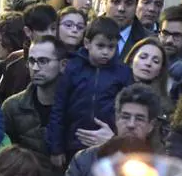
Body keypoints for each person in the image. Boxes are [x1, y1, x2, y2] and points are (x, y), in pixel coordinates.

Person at [45, 17, 133, 162]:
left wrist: (116, 136)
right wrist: (56, 148)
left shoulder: (122, 73)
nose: (105, 52)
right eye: (100, 46)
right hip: (74, 143)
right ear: (87, 43)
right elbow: (59, 108)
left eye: (111, 47)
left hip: (107, 143)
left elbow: (127, 110)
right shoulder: (73, 68)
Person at [59, 86, 164, 176]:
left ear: (150, 126)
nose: (131, 124)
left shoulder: (161, 166)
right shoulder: (84, 159)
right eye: (125, 117)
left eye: (139, 119)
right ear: (116, 119)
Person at [2, 36, 65, 176]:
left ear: (63, 64)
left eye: (43, 61)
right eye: (31, 61)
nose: (35, 67)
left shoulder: (76, 107)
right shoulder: (13, 107)